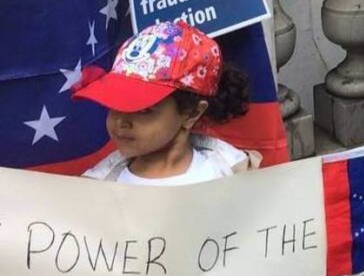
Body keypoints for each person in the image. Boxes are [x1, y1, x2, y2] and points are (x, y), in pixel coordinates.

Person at [73, 21, 261, 184]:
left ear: (192, 113)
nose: (121, 122)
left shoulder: (232, 174)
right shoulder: (98, 188)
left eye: (144, 110)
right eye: (114, 105)